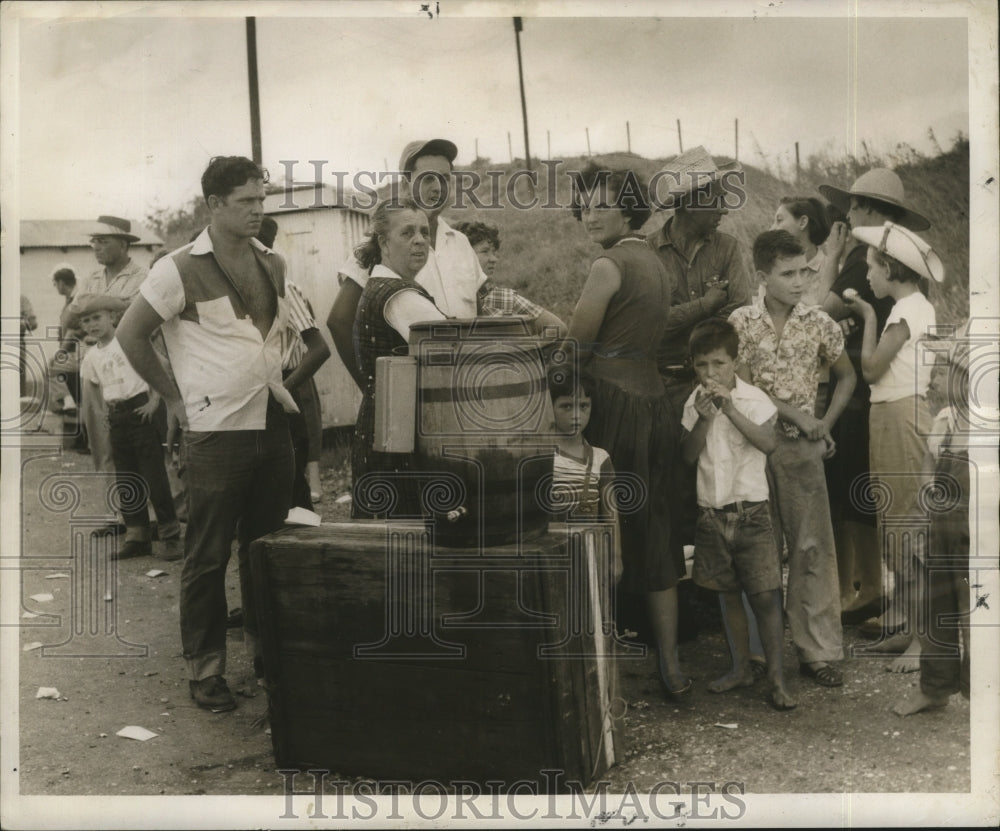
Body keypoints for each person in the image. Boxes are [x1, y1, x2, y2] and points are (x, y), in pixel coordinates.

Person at [116, 156, 297, 713]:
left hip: (272, 424)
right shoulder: (175, 268)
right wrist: (173, 399)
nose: (256, 210)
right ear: (213, 205)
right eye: (245, 201)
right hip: (215, 433)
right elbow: (130, 335)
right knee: (208, 553)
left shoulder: (273, 261)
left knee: (266, 550)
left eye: (260, 199)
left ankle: (271, 659)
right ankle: (206, 670)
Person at [561, 164, 687, 698]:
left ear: (630, 209)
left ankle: (595, 664)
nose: (590, 213)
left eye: (602, 204)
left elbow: (575, 347)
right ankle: (672, 665)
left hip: (614, 405)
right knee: (654, 532)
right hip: (655, 403)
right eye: (585, 203)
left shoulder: (607, 265)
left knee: (597, 528)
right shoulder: (656, 263)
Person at [328, 138, 563, 388]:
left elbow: (480, 314)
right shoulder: (382, 244)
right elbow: (339, 321)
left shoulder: (461, 242)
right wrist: (371, 389)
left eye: (444, 179)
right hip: (411, 396)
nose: (437, 188)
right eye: (428, 178)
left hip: (463, 393)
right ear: (407, 183)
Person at [729, 230, 856, 688]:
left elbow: (846, 377)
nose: (800, 280)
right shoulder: (741, 323)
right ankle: (761, 653)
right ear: (763, 277)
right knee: (759, 548)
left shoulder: (818, 322)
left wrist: (823, 423)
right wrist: (798, 415)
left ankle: (818, 651)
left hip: (803, 452)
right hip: (755, 446)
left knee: (812, 547)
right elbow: (742, 387)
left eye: (804, 269)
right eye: (787, 273)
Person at [817, 169, 931, 624]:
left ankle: (900, 609)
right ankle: (898, 605)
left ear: (866, 207)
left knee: (887, 505)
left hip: (885, 401)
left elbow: (826, 317)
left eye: (853, 204)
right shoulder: (901, 268)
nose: (847, 212)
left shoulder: (884, 269)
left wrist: (860, 309)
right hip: (886, 402)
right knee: (885, 503)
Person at [842, 222, 944, 674]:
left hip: (901, 418)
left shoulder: (906, 310)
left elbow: (870, 369)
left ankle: (925, 641)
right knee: (893, 527)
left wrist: (866, 317)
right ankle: (910, 630)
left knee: (906, 531)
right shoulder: (910, 307)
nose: (867, 277)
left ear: (891, 268)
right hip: (890, 417)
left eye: (872, 267)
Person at [680, 319, 795, 710]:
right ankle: (740, 667)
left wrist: (728, 409)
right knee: (727, 596)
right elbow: (687, 455)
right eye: (701, 366)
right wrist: (705, 417)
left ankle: (778, 678)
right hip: (712, 513)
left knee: (765, 597)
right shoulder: (693, 402)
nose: (710, 374)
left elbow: (768, 443)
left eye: (718, 364)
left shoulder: (754, 400)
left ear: (734, 361)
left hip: (752, 515)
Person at [645, 146, 754, 553]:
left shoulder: (727, 248)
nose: (724, 209)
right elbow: (651, 322)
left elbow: (739, 312)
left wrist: (683, 319)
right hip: (662, 383)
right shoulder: (648, 252)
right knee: (670, 478)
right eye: (716, 199)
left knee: (715, 477)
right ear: (690, 202)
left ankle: (711, 579)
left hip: (710, 382)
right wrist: (706, 306)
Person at [350, 198, 447, 519]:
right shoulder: (400, 296)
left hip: (384, 429)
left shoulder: (382, 286)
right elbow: (453, 353)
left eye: (423, 231)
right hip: (398, 438)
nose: (420, 240)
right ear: (383, 242)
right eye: (407, 233)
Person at [893, 330, 970, 716]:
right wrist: (929, 503)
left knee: (977, 610)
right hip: (942, 528)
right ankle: (935, 687)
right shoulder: (946, 420)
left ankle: (983, 691)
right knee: (935, 607)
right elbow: (927, 468)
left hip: (980, 535)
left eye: (947, 369)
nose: (937, 378)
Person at [74, 293, 182, 561]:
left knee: (154, 477)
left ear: (112, 316)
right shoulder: (91, 357)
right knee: (127, 480)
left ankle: (170, 536)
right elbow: (96, 392)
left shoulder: (129, 343)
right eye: (86, 321)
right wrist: (103, 419)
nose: (92, 325)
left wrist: (155, 400)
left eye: (97, 317)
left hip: (140, 413)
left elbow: (160, 369)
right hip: (117, 417)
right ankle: (138, 537)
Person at [257, 215, 330, 511]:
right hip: (251, 392)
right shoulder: (238, 292)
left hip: (282, 387)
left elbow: (320, 349)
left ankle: (309, 546)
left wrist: (284, 389)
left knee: (293, 489)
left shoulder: (284, 289)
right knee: (264, 488)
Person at [79, 216, 149, 475]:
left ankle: (153, 508)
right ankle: (115, 505)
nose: (96, 247)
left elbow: (138, 314)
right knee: (99, 433)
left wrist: (98, 303)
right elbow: (77, 311)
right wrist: (116, 303)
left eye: (103, 241)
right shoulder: (92, 277)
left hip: (132, 362)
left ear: (122, 244)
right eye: (93, 242)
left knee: (140, 438)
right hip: (96, 361)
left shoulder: (142, 276)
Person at [768, 196, 831, 307]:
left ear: (802, 222)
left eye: (779, 220)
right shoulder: (771, 270)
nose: (772, 229)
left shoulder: (834, 271)